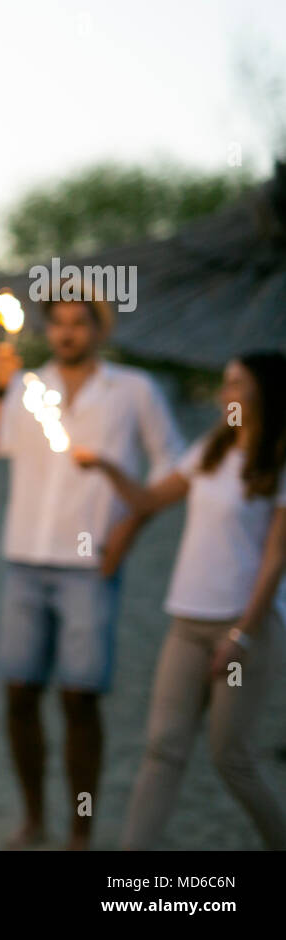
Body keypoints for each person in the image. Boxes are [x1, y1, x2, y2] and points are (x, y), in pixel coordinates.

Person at [0, 284, 183, 849]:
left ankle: (80, 833)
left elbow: (174, 471)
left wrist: (127, 531)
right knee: (19, 695)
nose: (67, 332)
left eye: (79, 322)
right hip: (23, 559)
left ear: (99, 329)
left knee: (80, 698)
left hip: (89, 564)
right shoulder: (24, 385)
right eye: (58, 322)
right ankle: (34, 819)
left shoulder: (134, 389)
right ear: (48, 329)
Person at [73, 352, 286, 849]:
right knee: (162, 749)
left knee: (230, 757)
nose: (224, 392)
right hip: (186, 620)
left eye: (236, 383)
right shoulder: (212, 449)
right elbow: (149, 502)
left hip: (244, 626)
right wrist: (104, 465)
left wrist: (241, 635)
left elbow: (275, 561)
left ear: (264, 394)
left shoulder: (278, 462)